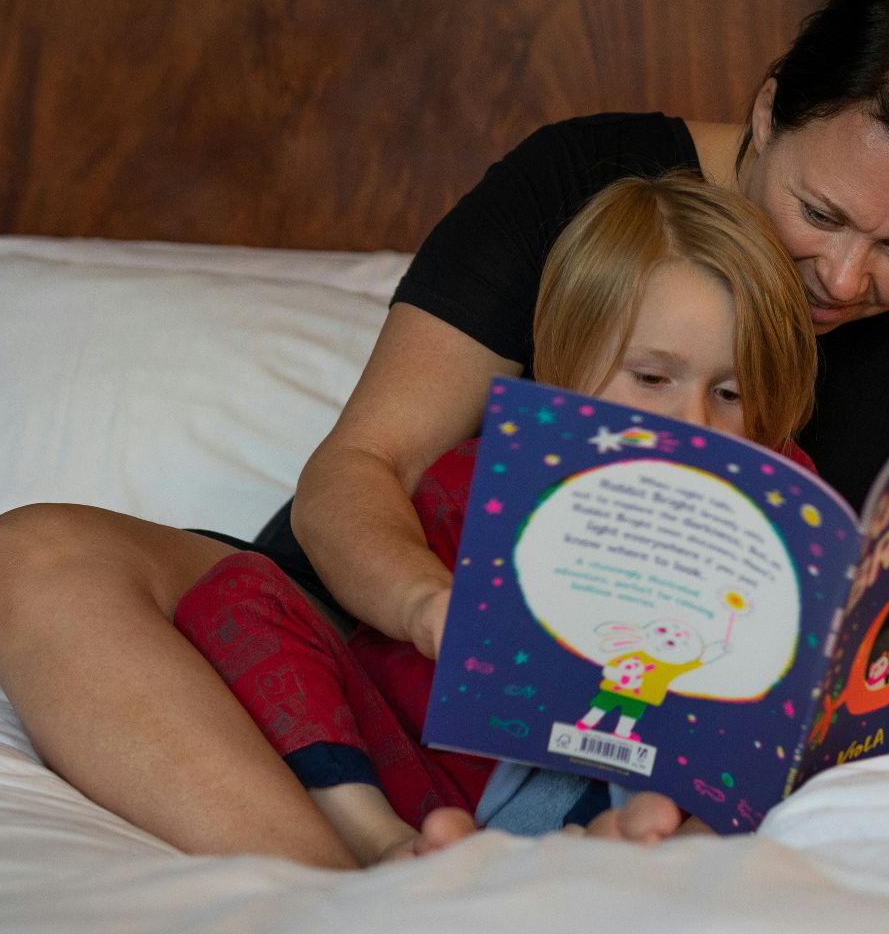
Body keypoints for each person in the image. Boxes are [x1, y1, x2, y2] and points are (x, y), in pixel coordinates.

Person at [0, 0, 889, 866]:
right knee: (27, 554)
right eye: (820, 212)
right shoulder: (580, 185)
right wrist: (428, 609)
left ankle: (471, 874)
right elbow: (358, 466)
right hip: (404, 636)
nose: (846, 281)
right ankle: (348, 887)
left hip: (671, 710)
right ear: (767, 112)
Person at [167, 172, 819, 865]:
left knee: (753, 759)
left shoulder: (781, 492)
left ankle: (618, 844)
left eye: (729, 392)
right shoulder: (478, 479)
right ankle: (379, 839)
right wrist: (436, 611)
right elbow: (392, 660)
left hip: (644, 773)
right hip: (441, 781)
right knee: (235, 591)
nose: (691, 422)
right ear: (565, 359)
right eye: (652, 378)